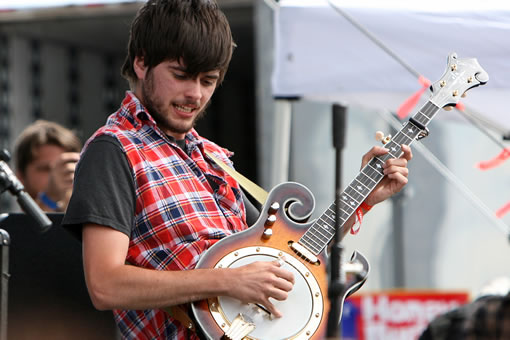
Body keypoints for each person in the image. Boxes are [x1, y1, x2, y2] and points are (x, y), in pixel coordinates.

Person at [62, 0, 413, 339]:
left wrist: (363, 200)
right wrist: (228, 281)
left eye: (208, 80)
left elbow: (286, 259)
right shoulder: (115, 149)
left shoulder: (212, 156)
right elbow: (105, 285)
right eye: (181, 75)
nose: (195, 94)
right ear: (141, 63)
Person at [14, 119, 82, 212]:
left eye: (64, 167)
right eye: (46, 169)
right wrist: (50, 198)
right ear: (20, 176)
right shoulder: (9, 225)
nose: (56, 175)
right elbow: (30, 225)